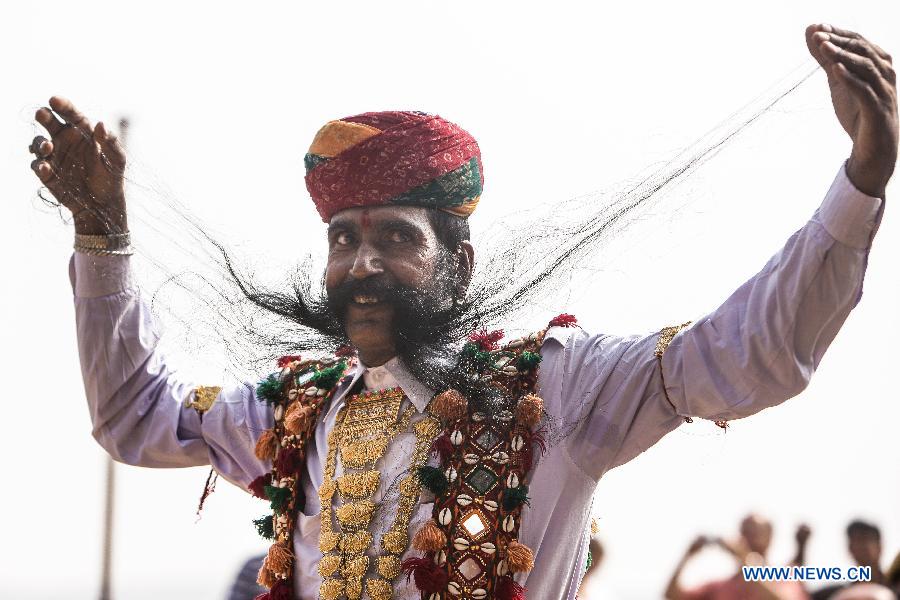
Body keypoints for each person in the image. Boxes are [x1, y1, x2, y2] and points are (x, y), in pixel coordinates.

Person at [27, 24, 896, 600]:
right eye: (340, 240)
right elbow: (134, 419)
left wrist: (859, 184)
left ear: (458, 263)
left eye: (395, 238)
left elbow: (748, 356)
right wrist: (101, 236)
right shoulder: (296, 410)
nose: (362, 263)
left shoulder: (558, 387)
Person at [664, 515, 810, 600]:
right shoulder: (721, 585)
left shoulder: (787, 575)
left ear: (770, 537)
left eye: (754, 532)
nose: (748, 538)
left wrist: (745, 561)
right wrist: (688, 556)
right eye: (744, 532)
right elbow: (672, 594)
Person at [812, 520, 894, 600]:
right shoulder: (839, 593)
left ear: (879, 546)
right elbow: (802, 595)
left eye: (864, 540)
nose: (860, 547)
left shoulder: (895, 588)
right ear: (850, 549)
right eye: (855, 541)